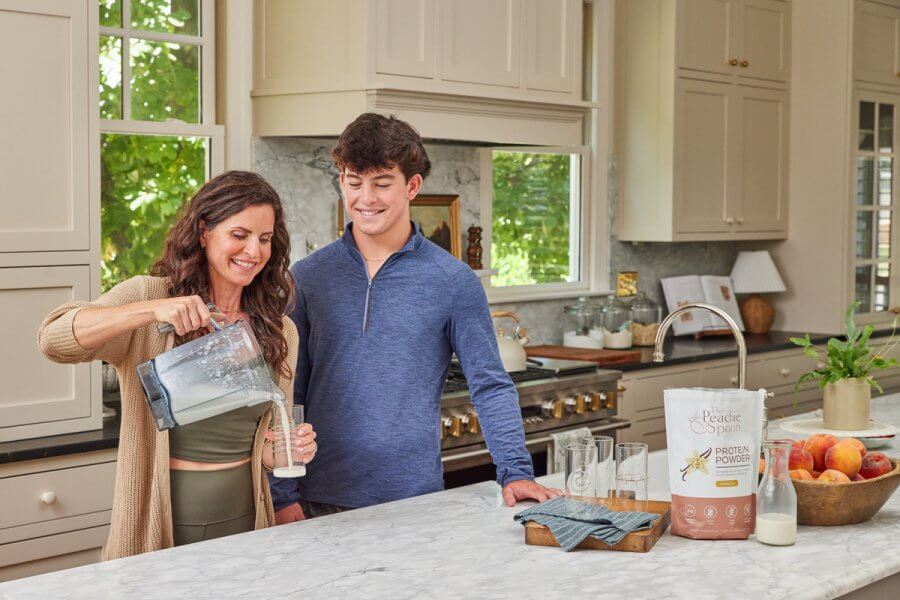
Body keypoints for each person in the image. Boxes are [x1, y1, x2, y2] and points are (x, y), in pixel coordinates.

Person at [270, 114, 561, 522]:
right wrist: (282, 495)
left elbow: (490, 386)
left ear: (412, 186)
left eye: (382, 183)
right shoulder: (308, 277)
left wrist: (515, 471)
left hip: (414, 500)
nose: (365, 198)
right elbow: (286, 391)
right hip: (318, 498)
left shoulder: (452, 280)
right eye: (354, 182)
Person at [38, 171, 317, 558]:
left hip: (248, 526)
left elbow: (264, 449)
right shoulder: (152, 298)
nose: (254, 251)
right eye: (239, 235)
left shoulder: (279, 329)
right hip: (159, 527)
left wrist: (290, 449)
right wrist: (152, 310)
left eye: (265, 239)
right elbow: (53, 340)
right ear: (204, 232)